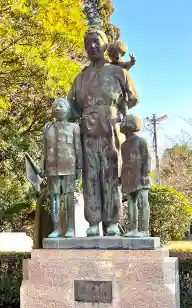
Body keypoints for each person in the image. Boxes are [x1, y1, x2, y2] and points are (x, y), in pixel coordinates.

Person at [68, 29, 139, 237]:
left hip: (111, 130)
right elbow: (72, 107)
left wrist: (119, 111)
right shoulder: (80, 77)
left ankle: (112, 222)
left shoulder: (119, 73)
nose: (92, 46)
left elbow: (133, 98)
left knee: (111, 176)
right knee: (90, 177)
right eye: (87, 43)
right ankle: (93, 221)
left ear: (106, 45)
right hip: (87, 132)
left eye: (96, 42)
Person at [40, 98, 82, 238]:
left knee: (69, 198)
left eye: (61, 106)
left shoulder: (74, 127)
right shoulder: (48, 128)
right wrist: (42, 167)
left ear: (68, 109)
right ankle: (56, 228)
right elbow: (44, 150)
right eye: (55, 106)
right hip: (52, 167)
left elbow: (78, 148)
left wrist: (79, 167)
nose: (57, 108)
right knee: (54, 199)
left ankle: (71, 228)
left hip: (69, 165)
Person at [120, 114, 151, 237]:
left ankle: (145, 230)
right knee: (131, 202)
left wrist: (145, 173)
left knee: (143, 201)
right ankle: (134, 229)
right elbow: (123, 161)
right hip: (128, 175)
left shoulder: (141, 141)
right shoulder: (123, 145)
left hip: (141, 175)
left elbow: (147, 158)